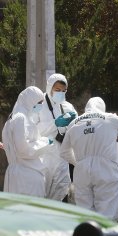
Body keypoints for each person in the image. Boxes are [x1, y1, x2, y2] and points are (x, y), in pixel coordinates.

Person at [60, 97, 118, 220]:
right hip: (105, 168)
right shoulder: (110, 118)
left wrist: (79, 162)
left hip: (81, 171)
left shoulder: (73, 123)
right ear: (102, 107)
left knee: (85, 214)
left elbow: (64, 152)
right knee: (107, 212)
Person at [2, 86, 53, 197]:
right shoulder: (21, 118)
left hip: (17, 175)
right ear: (30, 100)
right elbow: (23, 150)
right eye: (39, 102)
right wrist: (45, 142)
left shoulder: (12, 119)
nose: (41, 105)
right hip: (27, 176)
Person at [34, 73, 77, 201]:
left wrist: (74, 123)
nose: (61, 93)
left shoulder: (67, 107)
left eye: (64, 91)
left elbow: (76, 132)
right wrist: (54, 124)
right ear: (49, 88)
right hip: (44, 158)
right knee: (42, 195)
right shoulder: (39, 105)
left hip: (62, 158)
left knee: (62, 192)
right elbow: (32, 130)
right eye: (57, 90)